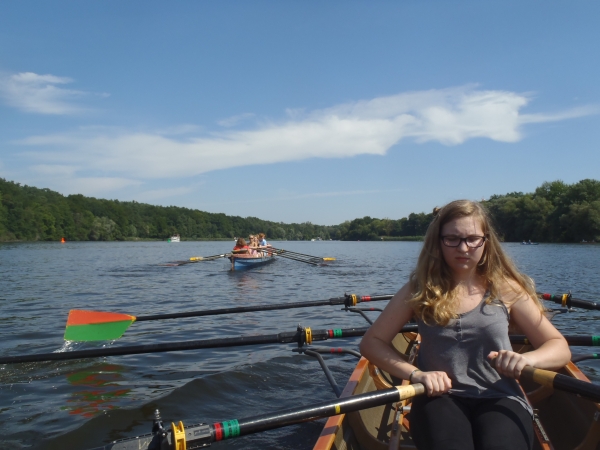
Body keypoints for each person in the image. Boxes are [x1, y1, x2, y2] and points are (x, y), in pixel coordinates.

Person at [360, 200, 570, 450]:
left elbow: (558, 346)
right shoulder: (419, 290)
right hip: (439, 397)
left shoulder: (506, 289)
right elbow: (371, 343)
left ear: (486, 241)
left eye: (472, 239)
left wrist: (526, 360)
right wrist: (416, 374)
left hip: (500, 394)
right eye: (452, 239)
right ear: (438, 241)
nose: (463, 247)